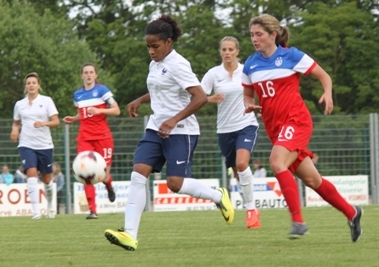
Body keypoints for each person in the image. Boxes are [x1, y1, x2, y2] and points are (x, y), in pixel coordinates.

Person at [104, 15, 235, 251]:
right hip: (156, 127)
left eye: (155, 46)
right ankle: (130, 235)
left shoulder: (179, 64)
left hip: (181, 130)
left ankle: (217, 195)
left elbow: (200, 97)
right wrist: (140, 100)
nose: (151, 51)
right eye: (148, 47)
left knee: (175, 183)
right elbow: (160, 90)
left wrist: (174, 120)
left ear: (168, 42)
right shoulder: (155, 64)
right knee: (138, 173)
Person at [242, 14, 362, 242]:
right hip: (274, 128)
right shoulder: (250, 63)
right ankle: (352, 212)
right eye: (251, 35)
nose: (254, 39)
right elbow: (247, 95)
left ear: (273, 35)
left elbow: (323, 75)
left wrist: (327, 92)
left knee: (276, 162)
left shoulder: (291, 55)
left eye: (259, 34)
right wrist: (249, 105)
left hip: (296, 121)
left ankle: (298, 221)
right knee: (312, 180)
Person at [201, 36, 260, 228]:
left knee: (242, 164)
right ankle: (247, 204)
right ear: (220, 52)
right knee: (236, 171)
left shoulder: (246, 70)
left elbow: (259, 90)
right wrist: (211, 99)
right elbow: (198, 97)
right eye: (224, 49)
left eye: (230, 49)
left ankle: (252, 210)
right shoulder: (213, 74)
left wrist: (257, 105)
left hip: (246, 124)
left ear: (237, 52)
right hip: (225, 129)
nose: (227, 53)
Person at [63, 62, 120, 219]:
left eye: (91, 72)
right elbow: (83, 114)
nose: (88, 75)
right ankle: (92, 211)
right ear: (82, 76)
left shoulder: (102, 90)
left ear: (96, 75)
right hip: (85, 138)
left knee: (104, 176)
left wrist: (100, 110)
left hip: (103, 137)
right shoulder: (77, 95)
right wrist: (73, 119)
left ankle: (109, 186)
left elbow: (116, 110)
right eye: (85, 72)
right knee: (85, 173)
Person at [10, 72, 59, 219]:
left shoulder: (47, 101)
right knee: (30, 173)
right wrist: (14, 130)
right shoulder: (20, 104)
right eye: (28, 83)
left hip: (45, 145)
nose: (31, 85)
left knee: (47, 179)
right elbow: (16, 122)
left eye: (34, 82)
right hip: (26, 144)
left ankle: (50, 204)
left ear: (39, 85)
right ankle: (36, 212)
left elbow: (56, 122)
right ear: (25, 86)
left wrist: (43, 123)